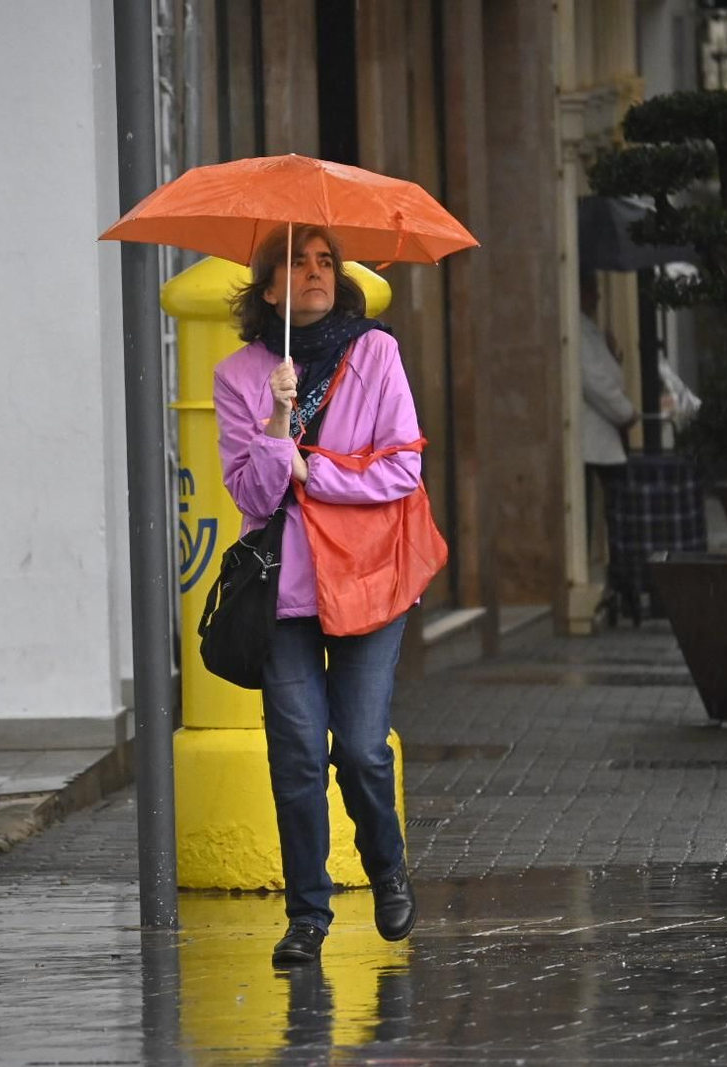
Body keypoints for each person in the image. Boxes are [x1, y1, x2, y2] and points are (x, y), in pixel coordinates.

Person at [213, 225, 418, 967]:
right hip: (286, 593)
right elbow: (250, 492)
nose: (316, 271)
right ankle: (307, 914)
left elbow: (401, 471)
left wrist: (316, 475)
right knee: (297, 752)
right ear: (269, 288)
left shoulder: (377, 354)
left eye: (326, 261)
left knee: (361, 751)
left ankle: (387, 864)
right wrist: (275, 423)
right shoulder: (239, 375)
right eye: (297, 262)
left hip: (367, 578)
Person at [578, 270, 637, 544]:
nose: (598, 297)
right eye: (592, 289)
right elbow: (594, 382)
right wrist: (625, 412)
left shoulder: (588, 329)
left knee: (612, 508)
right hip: (596, 436)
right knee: (614, 508)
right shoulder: (578, 329)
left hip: (602, 435)